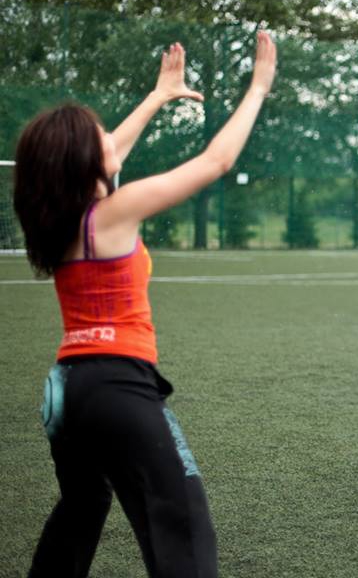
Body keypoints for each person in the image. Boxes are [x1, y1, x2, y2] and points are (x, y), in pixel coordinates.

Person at [14, 33, 276, 577]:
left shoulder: (64, 221)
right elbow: (217, 161)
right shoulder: (111, 215)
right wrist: (258, 88)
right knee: (184, 523)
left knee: (81, 511)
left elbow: (113, 154)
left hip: (65, 392)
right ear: (85, 159)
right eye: (99, 136)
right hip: (115, 385)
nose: (111, 138)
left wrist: (160, 96)